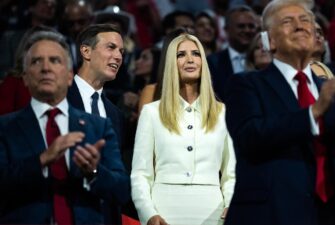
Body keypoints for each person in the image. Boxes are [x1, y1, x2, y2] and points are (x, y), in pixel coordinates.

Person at [224, 1, 335, 225]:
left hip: (334, 215)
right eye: (287, 21)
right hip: (275, 214)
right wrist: (313, 112)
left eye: (305, 20)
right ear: (269, 41)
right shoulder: (247, 84)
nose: (300, 26)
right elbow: (250, 138)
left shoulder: (333, 90)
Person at [0, 30, 130, 224]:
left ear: (69, 75)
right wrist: (42, 160)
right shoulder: (6, 127)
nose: (46, 68)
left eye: (55, 61)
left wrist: (93, 172)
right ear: (25, 77)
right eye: (36, 62)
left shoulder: (103, 124)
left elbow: (121, 191)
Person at [131, 34, 236, 225]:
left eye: (196, 54)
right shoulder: (151, 112)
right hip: (163, 211)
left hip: (213, 212)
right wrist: (148, 213)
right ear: (171, 62)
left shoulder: (223, 113)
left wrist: (231, 205)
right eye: (181, 54)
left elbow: (231, 173)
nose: (190, 59)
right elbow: (140, 173)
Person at [66, 23, 127, 224]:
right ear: (86, 51)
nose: (118, 56)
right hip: (65, 211)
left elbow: (119, 176)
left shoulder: (115, 114)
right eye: (111, 47)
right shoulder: (58, 98)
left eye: (121, 51)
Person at [207, 5, 259, 102]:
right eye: (241, 26)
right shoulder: (212, 62)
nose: (247, 30)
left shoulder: (264, 60)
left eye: (251, 26)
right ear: (227, 30)